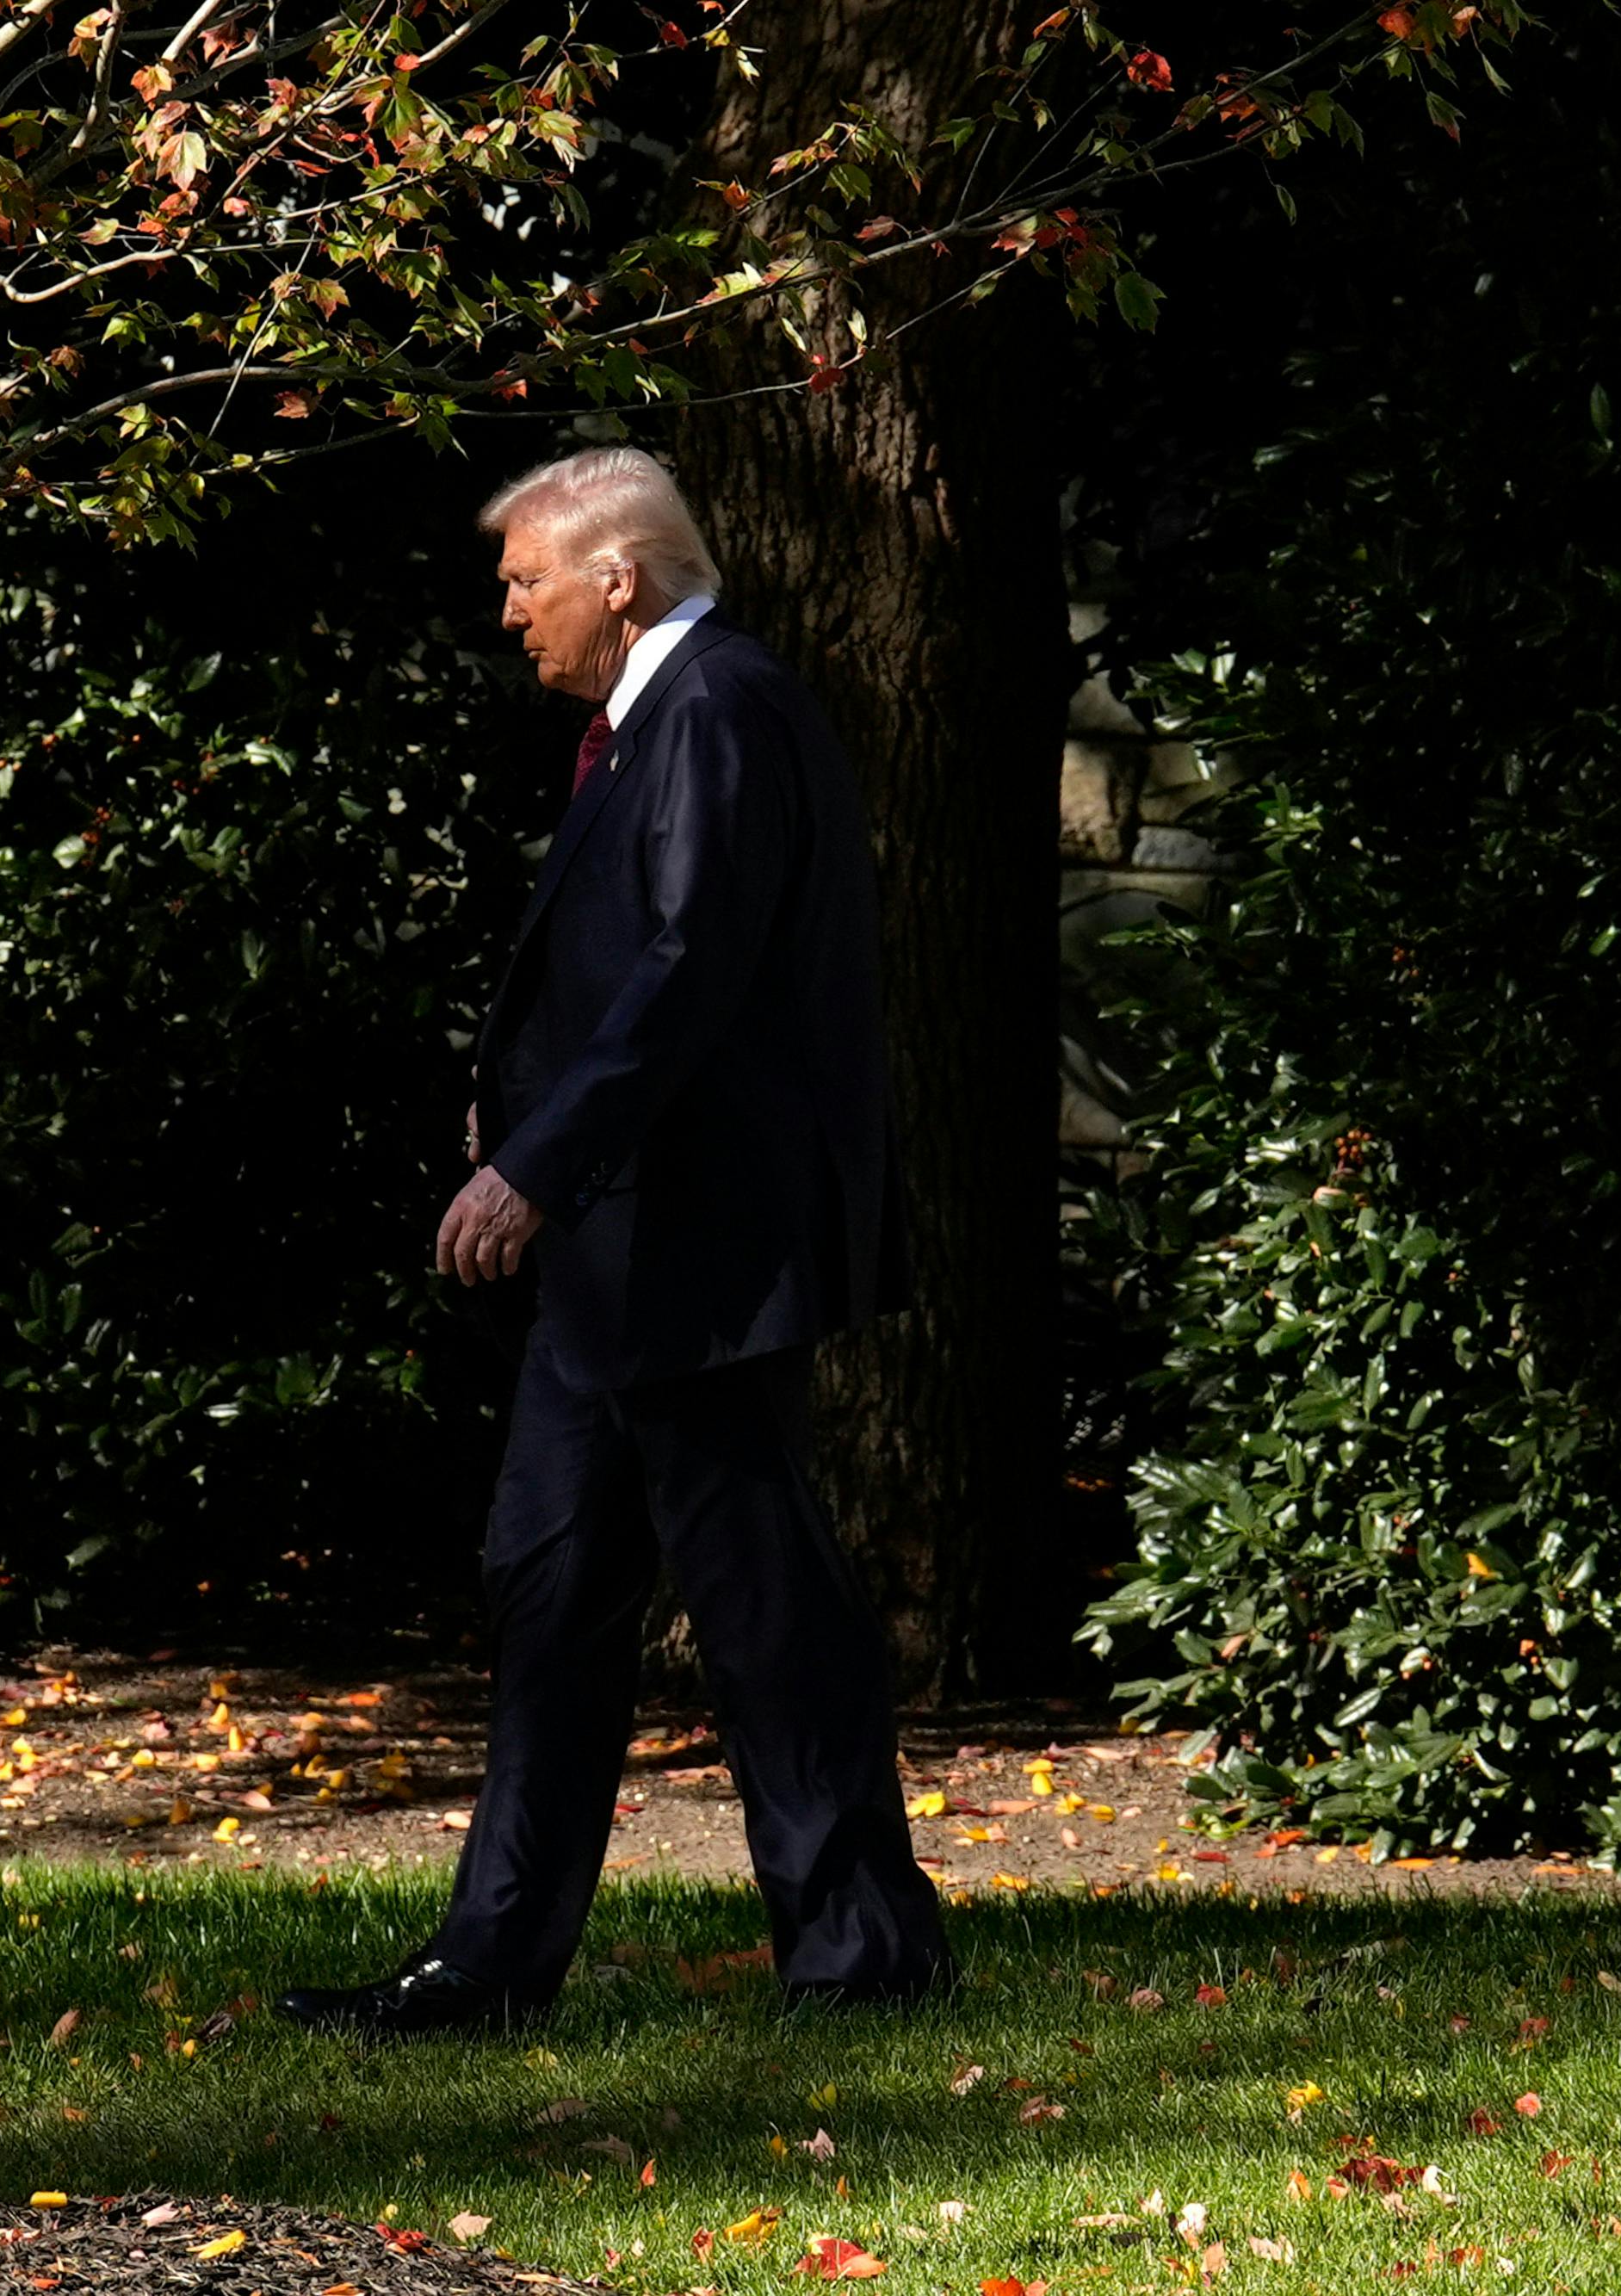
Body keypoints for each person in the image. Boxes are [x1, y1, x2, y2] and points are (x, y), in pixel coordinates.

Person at [280, 447, 949, 2038]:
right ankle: (490, 1967)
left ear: (618, 577)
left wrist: (538, 1164)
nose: (511, 612)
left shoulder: (717, 707)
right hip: (620, 1259)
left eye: (526, 581)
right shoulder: (660, 719)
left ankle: (864, 1955)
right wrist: (519, 1113)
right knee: (551, 1588)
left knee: (762, 1606)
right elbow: (631, 969)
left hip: (693, 1260)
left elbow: (691, 969)